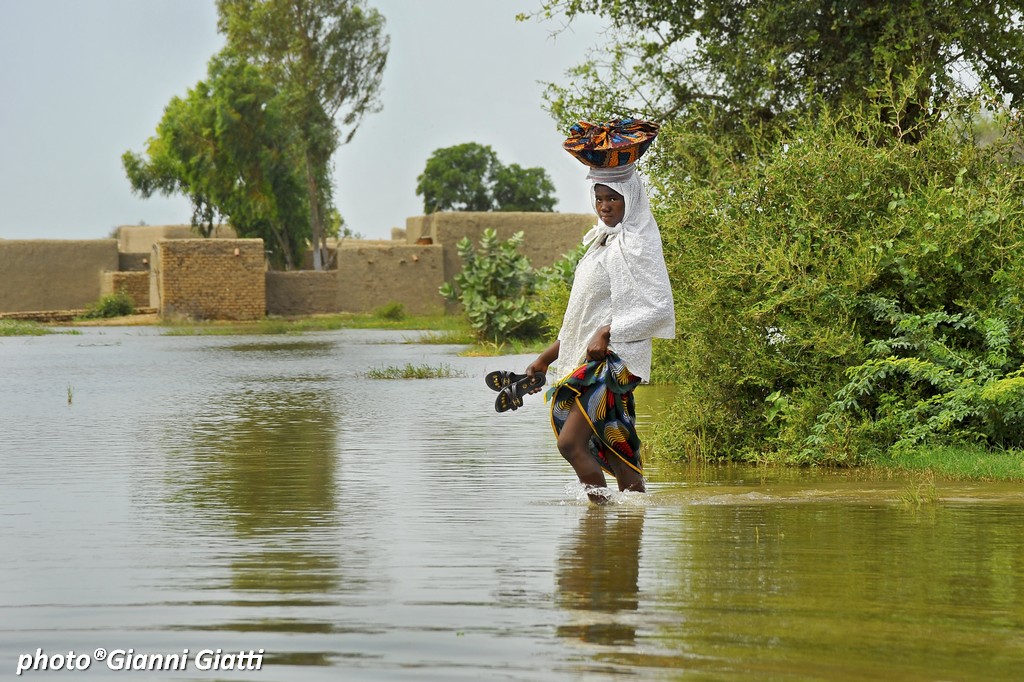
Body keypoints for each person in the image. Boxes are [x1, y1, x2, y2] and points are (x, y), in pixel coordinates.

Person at [525, 119, 675, 503]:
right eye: (600, 198)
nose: (606, 206)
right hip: (591, 360)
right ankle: (622, 527)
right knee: (614, 448)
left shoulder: (639, 243)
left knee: (571, 443)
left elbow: (658, 308)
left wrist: (609, 332)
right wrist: (544, 359)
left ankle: (605, 520)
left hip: (613, 363)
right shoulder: (601, 244)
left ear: (631, 198)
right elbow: (581, 320)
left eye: (614, 199)